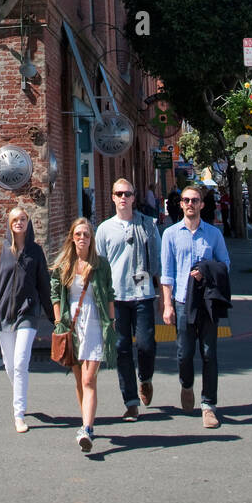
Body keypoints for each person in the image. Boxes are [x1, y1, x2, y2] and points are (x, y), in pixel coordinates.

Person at [160, 183, 231, 428]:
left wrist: (206, 272)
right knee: (184, 353)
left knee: (210, 353)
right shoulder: (170, 234)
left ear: (201, 204)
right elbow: (166, 273)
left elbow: (225, 266)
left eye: (195, 200)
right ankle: (186, 384)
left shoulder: (213, 234)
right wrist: (167, 305)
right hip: (182, 302)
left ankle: (208, 405)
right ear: (180, 205)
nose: (190, 204)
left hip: (207, 302)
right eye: (186, 200)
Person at [95, 178, 162, 420]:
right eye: (119, 193)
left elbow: (158, 264)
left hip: (143, 294)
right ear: (112, 197)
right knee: (122, 348)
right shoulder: (104, 229)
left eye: (128, 194)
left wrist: (165, 299)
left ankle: (145, 378)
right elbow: (99, 267)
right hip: (117, 297)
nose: (123, 198)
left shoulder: (147, 226)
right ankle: (131, 401)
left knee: (145, 344)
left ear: (134, 198)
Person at [0, 207, 53, 432]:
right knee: (10, 364)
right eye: (15, 219)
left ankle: (18, 413)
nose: (19, 223)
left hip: (28, 313)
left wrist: (54, 317)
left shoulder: (35, 251)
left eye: (23, 219)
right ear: (9, 223)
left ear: (28, 223)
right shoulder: (0, 249)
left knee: (21, 361)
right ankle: (19, 394)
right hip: (4, 313)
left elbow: (44, 286)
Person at [50, 218, 116, 453]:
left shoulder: (101, 265)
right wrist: (59, 322)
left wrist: (112, 323)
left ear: (91, 239)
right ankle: (86, 423)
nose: (82, 238)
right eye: (78, 234)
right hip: (73, 326)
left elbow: (109, 293)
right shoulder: (64, 265)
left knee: (89, 380)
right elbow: (55, 293)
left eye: (86, 234)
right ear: (72, 238)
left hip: (96, 324)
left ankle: (87, 428)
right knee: (80, 380)